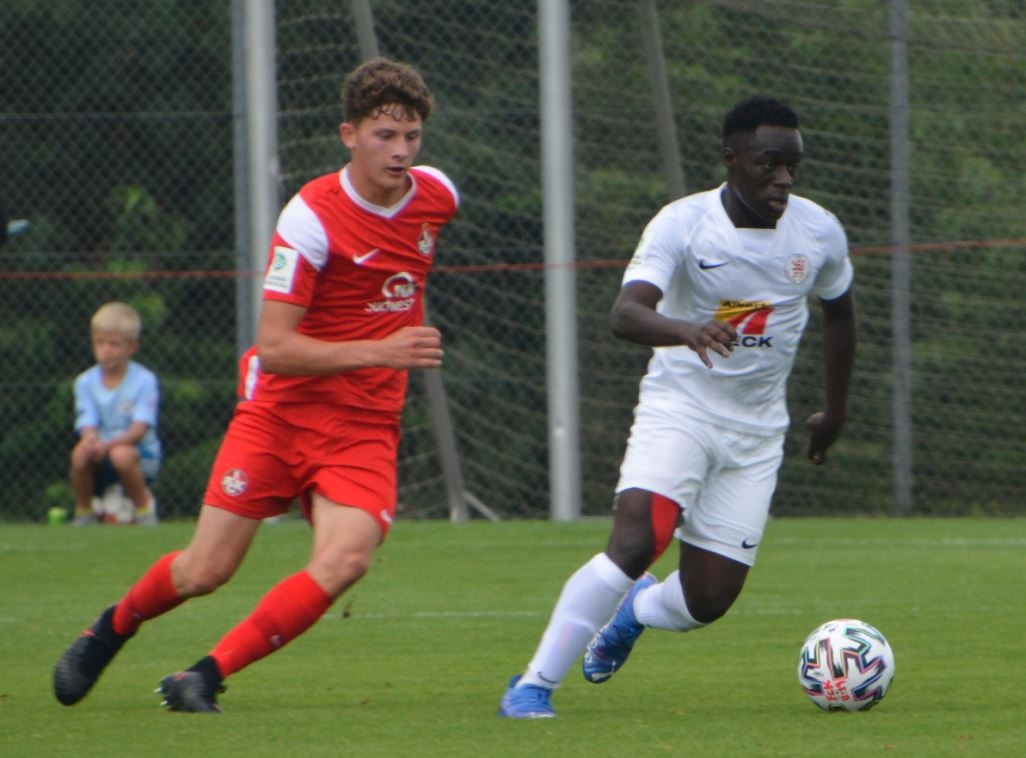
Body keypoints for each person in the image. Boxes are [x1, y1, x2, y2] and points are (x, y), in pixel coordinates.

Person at [54, 57, 459, 713]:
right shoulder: (310, 218)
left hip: (363, 425)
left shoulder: (436, 196)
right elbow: (274, 349)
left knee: (347, 559)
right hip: (281, 413)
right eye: (384, 135)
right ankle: (110, 629)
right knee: (204, 571)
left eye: (411, 136)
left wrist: (382, 352)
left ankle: (203, 676)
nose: (401, 151)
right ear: (349, 134)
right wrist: (381, 349)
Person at [499, 95, 856, 718]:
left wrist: (835, 410)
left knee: (707, 600)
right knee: (637, 540)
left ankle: (635, 611)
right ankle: (533, 686)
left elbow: (840, 315)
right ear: (731, 159)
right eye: (769, 165)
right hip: (681, 410)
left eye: (792, 167)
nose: (783, 179)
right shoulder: (683, 223)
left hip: (756, 434)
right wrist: (685, 329)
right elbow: (625, 313)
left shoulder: (819, 231)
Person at [70, 302, 161, 526]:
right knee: (80, 454)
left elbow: (139, 429)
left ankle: (144, 510)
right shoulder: (84, 382)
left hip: (140, 456)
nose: (106, 350)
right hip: (100, 452)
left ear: (131, 347)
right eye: (100, 342)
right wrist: (90, 441)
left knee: (121, 455)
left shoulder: (144, 380)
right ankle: (85, 512)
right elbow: (87, 421)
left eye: (114, 344)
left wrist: (107, 446)